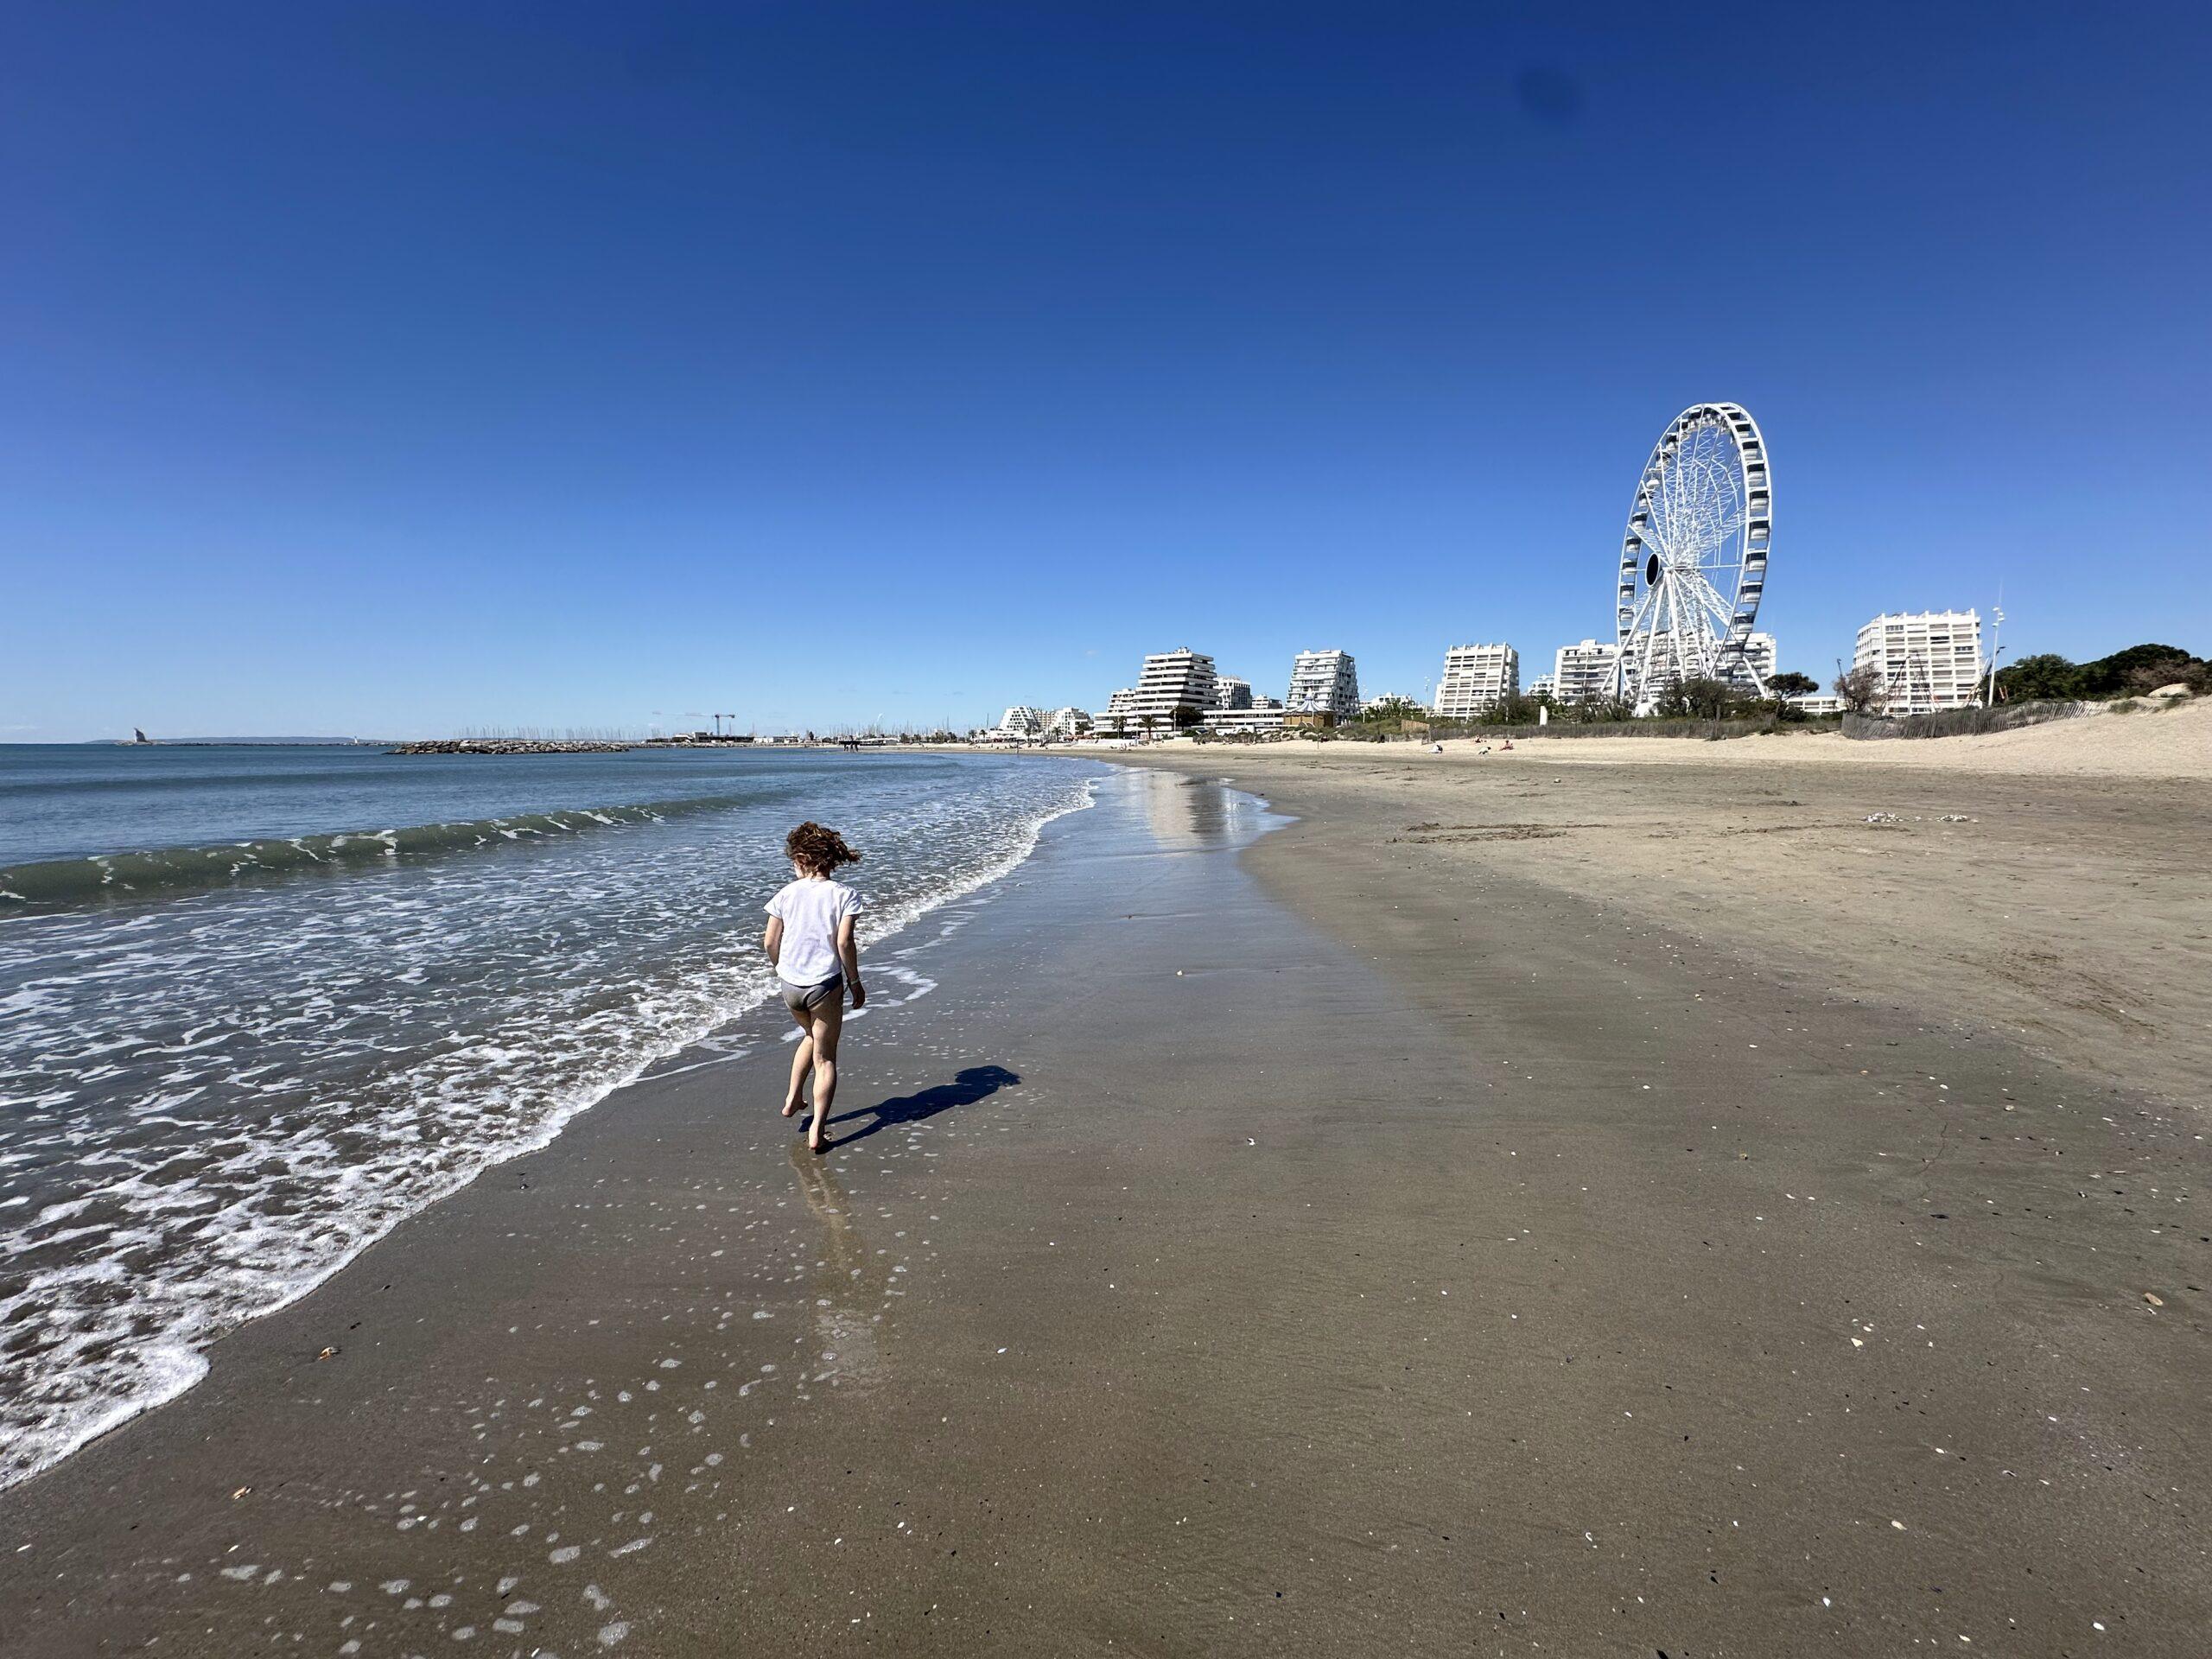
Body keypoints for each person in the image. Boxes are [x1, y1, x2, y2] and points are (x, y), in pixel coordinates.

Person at [763, 822, 866, 1153]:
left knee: (810, 1036)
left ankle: (793, 1097)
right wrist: (854, 981)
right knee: (826, 1058)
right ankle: (817, 1132)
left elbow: (770, 942)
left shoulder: (786, 893)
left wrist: (782, 970)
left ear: (803, 859)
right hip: (824, 985)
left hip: (791, 985)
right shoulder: (844, 895)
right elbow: (844, 942)